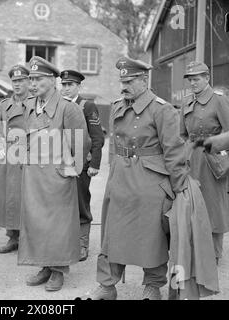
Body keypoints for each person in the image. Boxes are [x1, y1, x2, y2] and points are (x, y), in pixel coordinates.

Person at [86, 57, 189, 300]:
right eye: (122, 81)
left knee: (152, 236)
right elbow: (114, 147)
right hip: (120, 180)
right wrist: (111, 178)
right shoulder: (118, 106)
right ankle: (107, 285)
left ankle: (153, 286)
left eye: (130, 80)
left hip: (151, 183)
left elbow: (174, 151)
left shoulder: (162, 110)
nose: (124, 85)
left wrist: (180, 188)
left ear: (144, 80)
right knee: (112, 235)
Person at [19, 56, 91, 292]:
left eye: (38, 79)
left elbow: (81, 142)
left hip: (58, 176)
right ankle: (45, 266)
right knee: (38, 223)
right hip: (34, 177)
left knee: (58, 225)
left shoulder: (68, 108)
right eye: (31, 79)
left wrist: (70, 169)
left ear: (52, 80)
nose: (33, 84)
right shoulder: (30, 106)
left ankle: (59, 270)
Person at [180, 61, 229, 265]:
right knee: (191, 204)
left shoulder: (219, 100)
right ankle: (195, 249)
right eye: (190, 80)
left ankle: (214, 253)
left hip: (212, 160)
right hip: (191, 160)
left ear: (207, 78)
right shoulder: (186, 101)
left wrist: (215, 147)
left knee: (214, 207)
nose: (193, 83)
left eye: (196, 79)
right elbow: (181, 134)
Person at [60, 69, 105, 261]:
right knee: (61, 202)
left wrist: (94, 163)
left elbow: (97, 137)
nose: (66, 88)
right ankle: (65, 240)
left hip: (80, 163)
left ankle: (82, 243)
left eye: (70, 85)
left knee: (80, 202)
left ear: (79, 86)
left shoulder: (87, 106)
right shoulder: (58, 105)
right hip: (61, 162)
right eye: (64, 84)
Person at [0, 65, 31, 254]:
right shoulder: (4, 105)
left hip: (30, 156)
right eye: (14, 81)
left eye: (21, 80)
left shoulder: (36, 103)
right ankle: (12, 237)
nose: (17, 84)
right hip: (8, 157)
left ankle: (28, 239)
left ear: (29, 82)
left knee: (29, 198)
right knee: (9, 198)